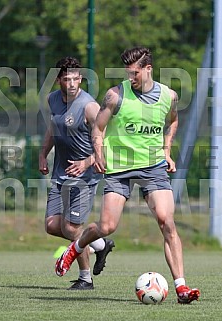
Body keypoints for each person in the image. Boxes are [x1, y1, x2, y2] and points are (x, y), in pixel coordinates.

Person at [55, 47, 201, 303]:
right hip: (119, 167)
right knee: (108, 226)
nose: (130, 77)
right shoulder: (115, 96)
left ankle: (181, 288)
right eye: (128, 73)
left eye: (135, 73)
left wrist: (167, 151)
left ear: (148, 69)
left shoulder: (169, 96)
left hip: (153, 167)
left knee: (167, 221)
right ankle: (76, 247)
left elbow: (173, 121)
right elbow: (98, 129)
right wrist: (98, 154)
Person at [39, 56, 115, 290]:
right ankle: (99, 244)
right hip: (61, 173)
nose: (72, 83)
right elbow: (54, 127)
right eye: (67, 79)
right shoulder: (53, 99)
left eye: (76, 79)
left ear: (81, 79)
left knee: (71, 229)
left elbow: (108, 139)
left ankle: (85, 279)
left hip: (85, 176)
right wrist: (43, 154)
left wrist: (87, 161)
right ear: (59, 80)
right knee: (52, 225)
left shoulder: (90, 106)